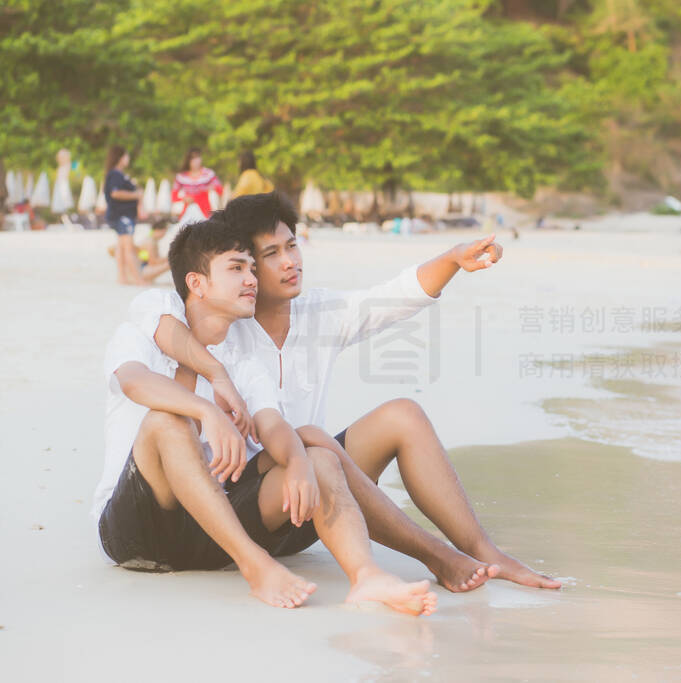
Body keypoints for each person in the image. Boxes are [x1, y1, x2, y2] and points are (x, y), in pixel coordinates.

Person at [132, 191, 561, 593]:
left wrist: (452, 260)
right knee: (313, 444)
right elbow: (156, 315)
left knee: (401, 415)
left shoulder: (320, 312)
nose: (289, 262)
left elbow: (394, 296)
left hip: (308, 494)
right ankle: (435, 557)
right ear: (243, 265)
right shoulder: (219, 322)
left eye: (292, 246)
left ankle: (481, 550)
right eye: (270, 254)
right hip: (243, 500)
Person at [96, 216, 438, 614]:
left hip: (212, 535)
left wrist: (297, 462)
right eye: (236, 268)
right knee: (167, 421)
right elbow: (135, 381)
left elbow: (273, 424)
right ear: (197, 283)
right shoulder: (140, 334)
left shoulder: (242, 363)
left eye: (252, 269)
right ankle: (257, 568)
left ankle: (367, 577)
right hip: (136, 533)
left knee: (317, 455)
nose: (252, 279)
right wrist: (207, 410)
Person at [104, 145, 145, 285]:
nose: (128, 159)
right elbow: (115, 193)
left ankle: (122, 277)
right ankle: (137, 279)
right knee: (128, 248)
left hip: (118, 216)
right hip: (122, 216)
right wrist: (136, 194)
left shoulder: (115, 174)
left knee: (121, 247)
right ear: (120, 158)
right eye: (126, 156)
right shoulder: (116, 175)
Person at [172, 147, 223, 223]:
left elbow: (220, 190)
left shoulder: (209, 174)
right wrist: (184, 199)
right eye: (193, 158)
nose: (196, 161)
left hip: (205, 212)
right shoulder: (181, 176)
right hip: (187, 212)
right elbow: (173, 197)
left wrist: (212, 188)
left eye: (198, 157)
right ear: (188, 160)